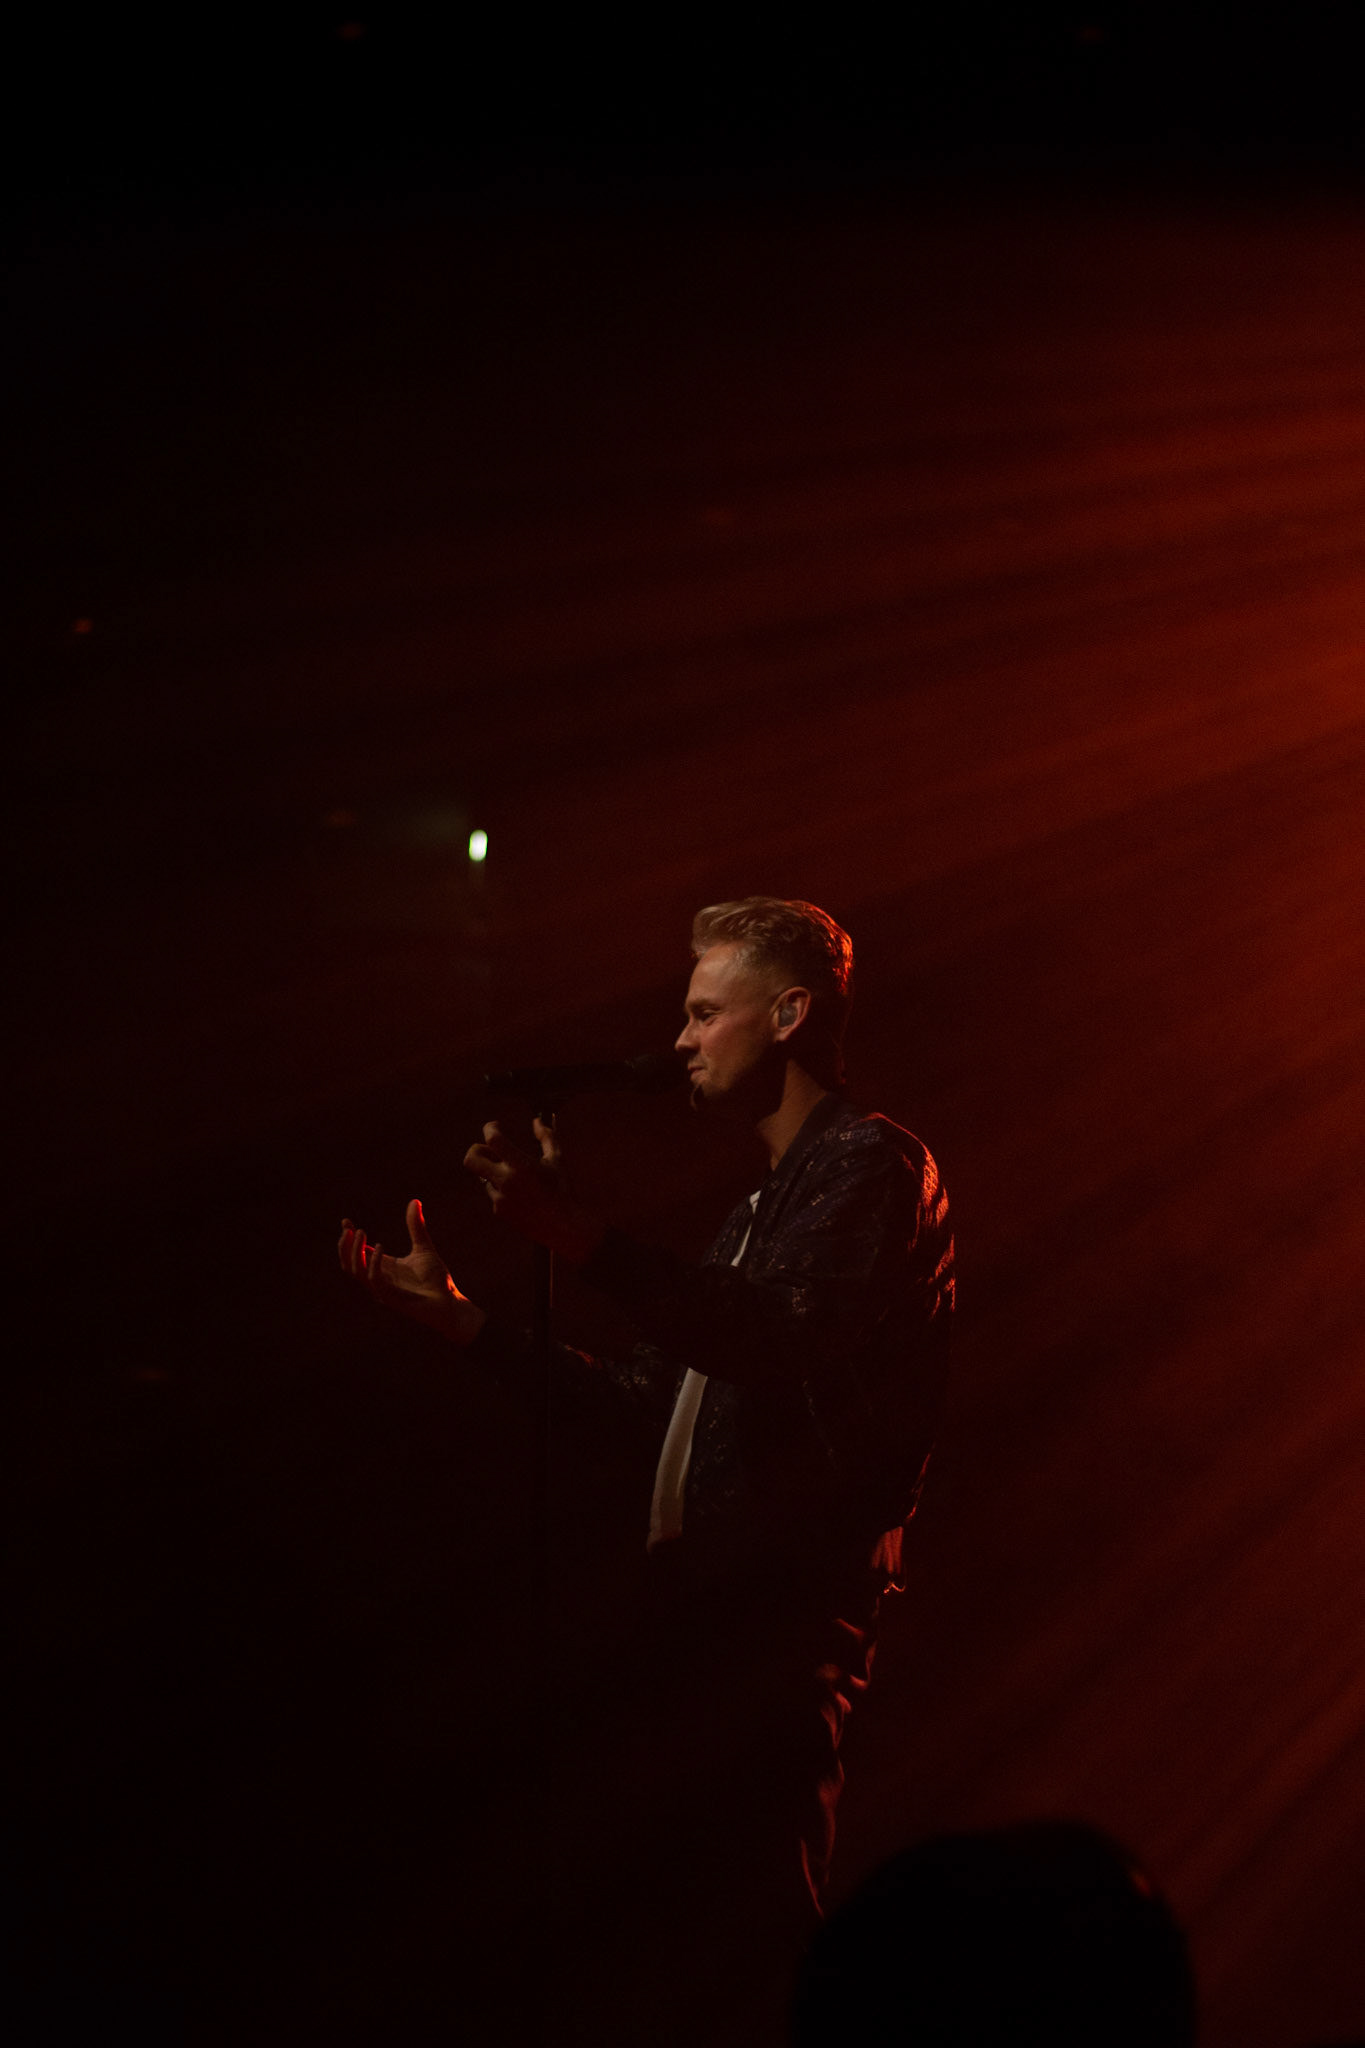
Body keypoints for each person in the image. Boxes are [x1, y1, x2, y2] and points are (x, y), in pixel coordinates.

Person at [338, 897, 954, 2039]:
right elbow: (645, 1409)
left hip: (781, 1596)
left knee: (757, 1923)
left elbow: (776, 1335)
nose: (679, 1039)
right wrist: (467, 1322)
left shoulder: (871, 1163)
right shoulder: (753, 1214)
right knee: (685, 1931)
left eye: (703, 1011)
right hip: (708, 1601)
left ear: (788, 1013)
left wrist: (580, 1239)